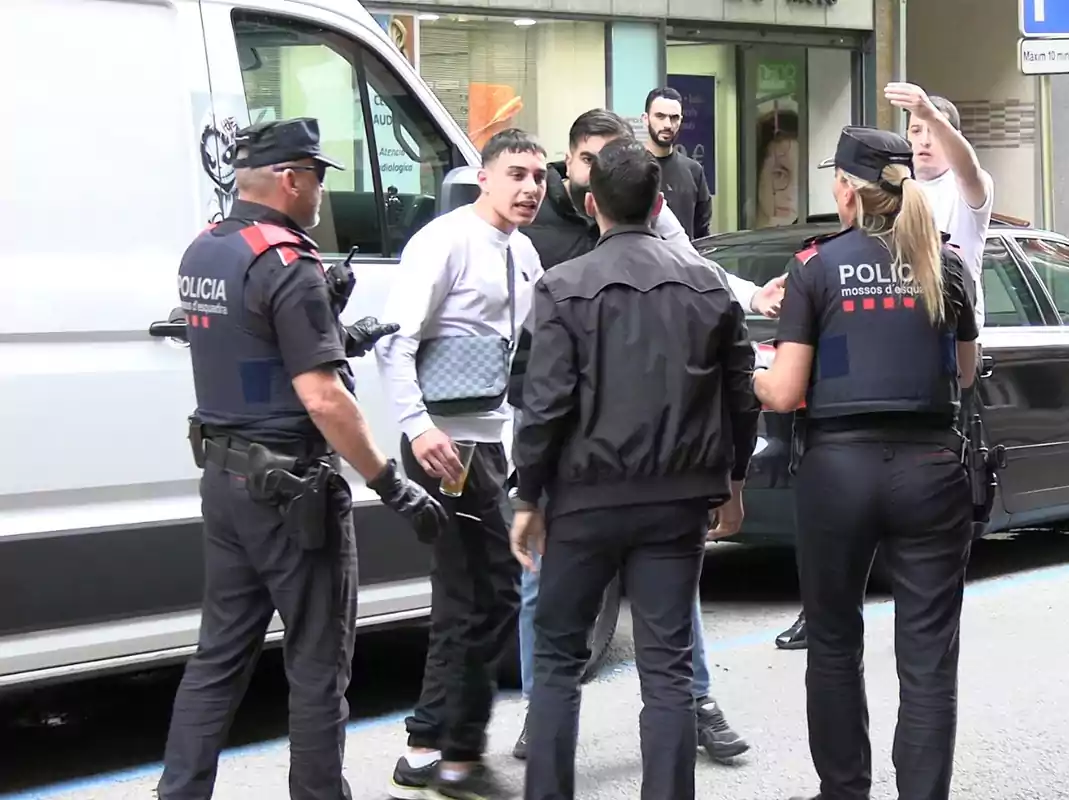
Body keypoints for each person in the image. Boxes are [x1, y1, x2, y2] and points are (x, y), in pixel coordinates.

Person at [157, 117, 449, 800]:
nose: (320, 192)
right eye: (316, 177)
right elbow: (324, 400)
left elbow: (248, 346)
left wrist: (336, 331)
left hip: (226, 482)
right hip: (294, 494)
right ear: (290, 179)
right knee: (318, 669)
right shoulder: (290, 261)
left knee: (218, 659)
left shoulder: (205, 250)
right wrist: (390, 482)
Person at [509, 108, 778, 763]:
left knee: (555, 662)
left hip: (583, 500)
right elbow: (740, 394)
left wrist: (527, 497)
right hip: (677, 502)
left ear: (592, 202)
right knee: (668, 670)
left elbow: (542, 403)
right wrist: (734, 482)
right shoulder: (709, 286)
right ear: (659, 202)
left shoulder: (560, 287)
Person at [752, 125, 978, 800]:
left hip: (838, 472)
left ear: (846, 188)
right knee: (928, 657)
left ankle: (844, 790)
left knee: (832, 642)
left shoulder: (816, 267)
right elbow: (963, 376)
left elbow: (787, 392)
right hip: (932, 469)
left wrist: (752, 376)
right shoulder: (948, 264)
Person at [374, 127, 548, 800]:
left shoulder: (525, 251)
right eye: (517, 173)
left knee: (488, 593)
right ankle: (450, 755)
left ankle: (433, 743)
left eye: (538, 176)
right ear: (484, 176)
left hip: (489, 445)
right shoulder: (443, 241)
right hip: (444, 445)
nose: (531, 187)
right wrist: (417, 429)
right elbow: (396, 345)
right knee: (474, 594)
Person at [886, 82, 993, 333]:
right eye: (916, 130)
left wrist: (930, 112)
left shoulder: (967, 186)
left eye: (933, 131)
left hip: (954, 327)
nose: (924, 140)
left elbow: (969, 171)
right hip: (902, 325)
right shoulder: (892, 187)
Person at [642, 86, 712, 240]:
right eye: (660, 116)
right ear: (645, 119)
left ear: (681, 120)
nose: (667, 124)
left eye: (674, 117)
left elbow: (702, 232)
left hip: (684, 261)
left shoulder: (694, 171)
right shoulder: (630, 168)